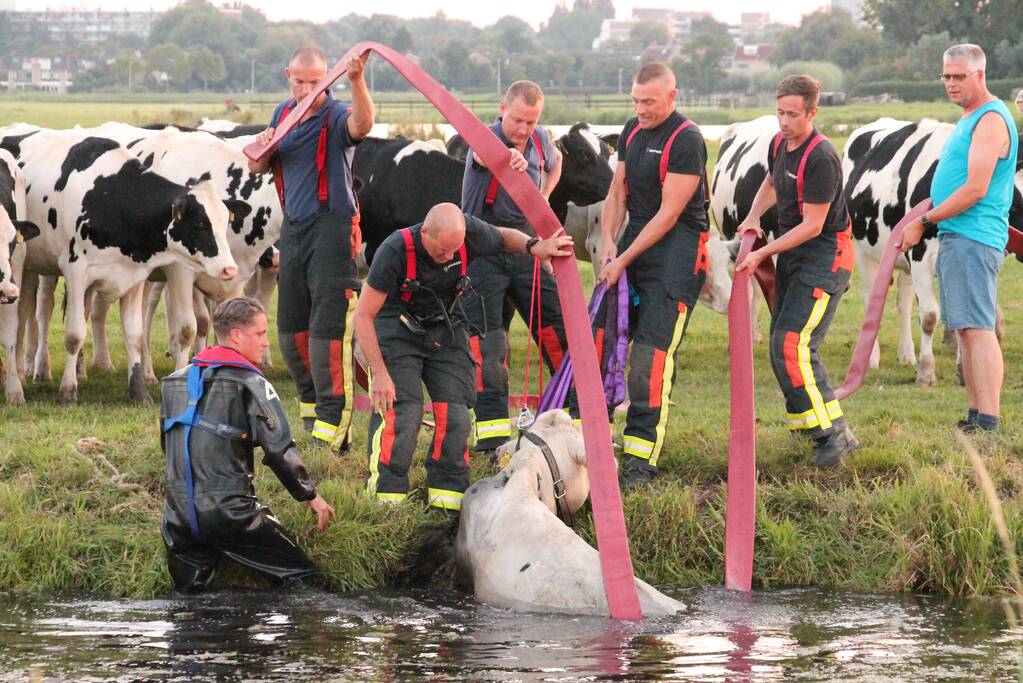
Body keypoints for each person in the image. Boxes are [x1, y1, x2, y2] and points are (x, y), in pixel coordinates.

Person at [354, 203, 573, 512]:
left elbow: (501, 237)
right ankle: (385, 502)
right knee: (403, 413)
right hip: (397, 329)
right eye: (443, 251)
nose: (450, 257)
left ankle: (447, 503)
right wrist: (379, 372)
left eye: (455, 250)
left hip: (446, 327)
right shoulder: (395, 251)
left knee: (455, 417)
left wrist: (534, 246)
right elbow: (363, 316)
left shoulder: (468, 233)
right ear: (425, 233)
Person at [160, 297, 336, 592]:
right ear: (237, 336)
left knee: (190, 602)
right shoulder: (251, 382)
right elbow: (279, 448)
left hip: (177, 519)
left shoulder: (172, 382)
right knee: (304, 580)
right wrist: (311, 496)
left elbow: (169, 447)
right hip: (232, 514)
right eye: (261, 334)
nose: (266, 343)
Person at [248, 45, 374, 453]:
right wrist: (264, 144)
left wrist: (357, 80)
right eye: (299, 81)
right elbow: (257, 166)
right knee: (290, 331)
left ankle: (334, 428)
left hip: (332, 229)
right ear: (288, 74)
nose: (306, 89)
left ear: (328, 78)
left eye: (315, 81)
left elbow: (364, 124)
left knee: (327, 333)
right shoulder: (283, 114)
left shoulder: (336, 115)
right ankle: (312, 416)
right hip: (294, 229)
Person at [591, 62, 710, 488]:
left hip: (676, 254)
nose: (641, 110)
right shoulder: (632, 131)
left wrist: (622, 259)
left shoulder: (687, 140)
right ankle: (595, 440)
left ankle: (642, 458)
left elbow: (668, 214)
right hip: (634, 247)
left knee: (649, 358)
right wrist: (607, 240)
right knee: (605, 342)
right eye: (636, 101)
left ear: (672, 98)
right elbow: (616, 192)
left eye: (650, 102)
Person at [736, 74, 858, 467]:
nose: (784, 122)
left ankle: (831, 438)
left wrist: (762, 253)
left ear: (812, 112)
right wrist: (754, 216)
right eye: (780, 113)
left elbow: (813, 225)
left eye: (793, 115)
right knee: (783, 343)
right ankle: (820, 430)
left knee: (792, 344)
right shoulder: (779, 143)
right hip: (794, 255)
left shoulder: (821, 157)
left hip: (825, 257)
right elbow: (771, 181)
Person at [898, 44, 1018, 433]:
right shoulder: (970, 117)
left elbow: (975, 189)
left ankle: (988, 419)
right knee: (965, 328)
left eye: (958, 76)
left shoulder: (990, 120)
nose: (950, 83)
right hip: (958, 236)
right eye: (946, 76)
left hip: (973, 235)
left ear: (979, 75)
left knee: (979, 329)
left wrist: (925, 221)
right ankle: (975, 414)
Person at [460, 80, 567, 456]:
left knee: (557, 332)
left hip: (528, 248)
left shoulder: (541, 140)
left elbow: (556, 164)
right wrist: (507, 159)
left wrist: (544, 197)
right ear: (503, 107)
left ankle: (576, 423)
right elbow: (482, 157)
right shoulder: (483, 139)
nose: (523, 129)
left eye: (531, 121)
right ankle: (490, 440)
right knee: (488, 347)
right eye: (518, 120)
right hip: (483, 249)